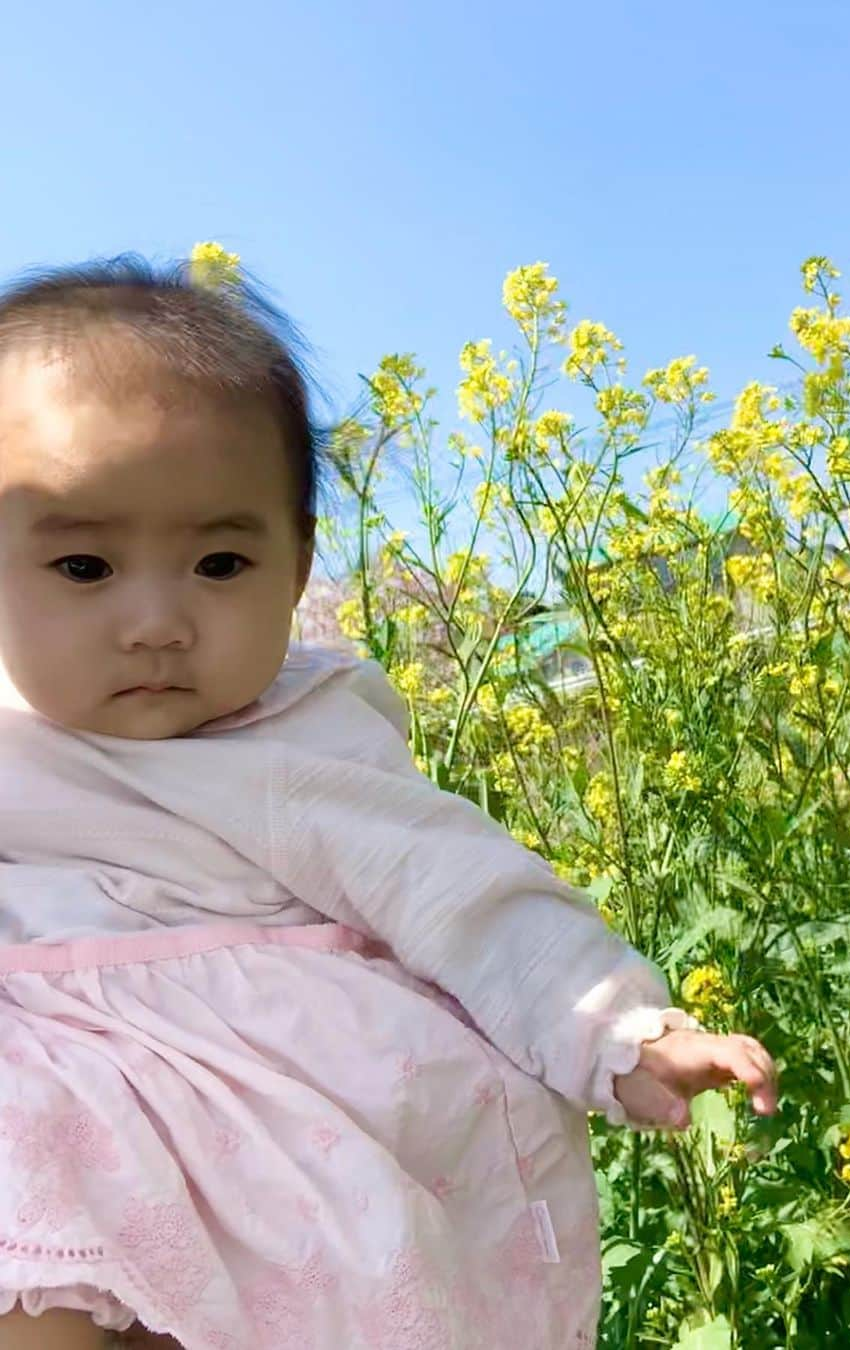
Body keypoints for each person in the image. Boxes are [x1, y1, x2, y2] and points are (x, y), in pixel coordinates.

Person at [0, 257, 778, 1350]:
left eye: (221, 561)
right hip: (60, 1110)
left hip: (275, 1126)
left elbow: (458, 887)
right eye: (83, 567)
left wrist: (619, 1029)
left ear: (298, 563)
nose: (158, 622)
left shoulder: (295, 744)